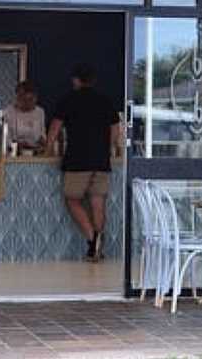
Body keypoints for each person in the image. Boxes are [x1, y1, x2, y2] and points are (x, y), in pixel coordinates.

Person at [46, 63, 120, 262]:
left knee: (72, 199)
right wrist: (108, 148)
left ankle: (92, 240)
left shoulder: (68, 100)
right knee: (98, 202)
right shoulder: (105, 101)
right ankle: (97, 243)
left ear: (75, 80)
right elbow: (115, 130)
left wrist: (46, 149)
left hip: (77, 160)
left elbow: (54, 129)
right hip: (101, 161)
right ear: (93, 81)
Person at [3, 81, 46, 154]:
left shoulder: (40, 112)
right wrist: (16, 144)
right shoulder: (8, 112)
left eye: (32, 100)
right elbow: (5, 138)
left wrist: (43, 141)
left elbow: (42, 134)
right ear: (18, 98)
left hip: (34, 152)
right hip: (14, 152)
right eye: (26, 100)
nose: (29, 103)